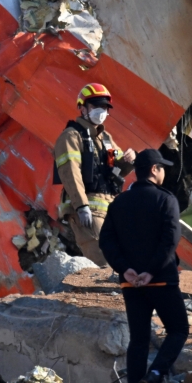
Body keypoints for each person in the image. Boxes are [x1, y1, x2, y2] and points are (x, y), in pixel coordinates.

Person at [99, 149, 188, 383]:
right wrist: (151, 270)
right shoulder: (166, 199)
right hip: (161, 279)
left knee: (138, 339)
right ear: (153, 169)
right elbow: (170, 239)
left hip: (131, 283)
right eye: (162, 167)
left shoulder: (118, 203)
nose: (164, 172)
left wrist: (124, 269)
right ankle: (156, 373)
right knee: (178, 329)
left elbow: (106, 240)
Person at [53, 83, 136, 265]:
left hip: (110, 209)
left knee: (121, 260)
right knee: (105, 261)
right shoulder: (71, 136)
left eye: (105, 107)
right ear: (82, 108)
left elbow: (116, 169)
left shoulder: (106, 139)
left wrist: (129, 160)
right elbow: (70, 173)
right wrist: (81, 206)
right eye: (96, 106)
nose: (101, 111)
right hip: (88, 210)